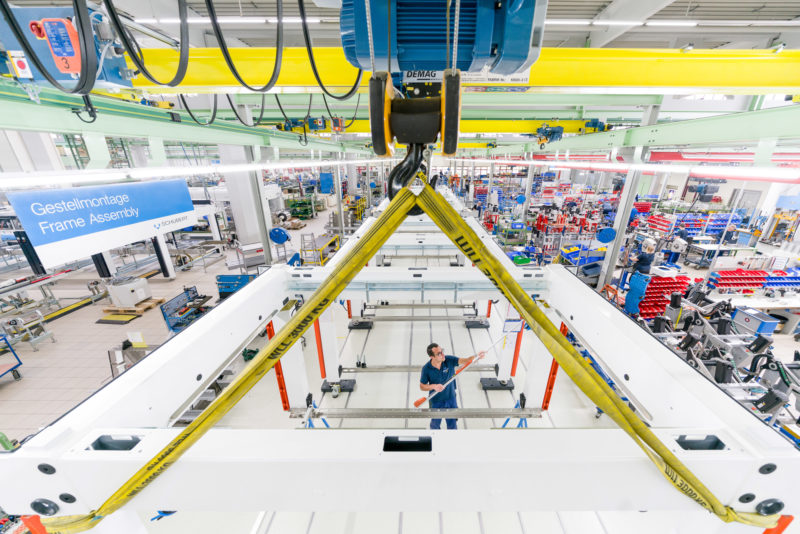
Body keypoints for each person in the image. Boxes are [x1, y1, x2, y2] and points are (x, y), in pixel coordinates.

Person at [420, 343, 485, 430]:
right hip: (436, 400)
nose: (442, 355)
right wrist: (434, 386)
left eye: (442, 351)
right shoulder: (426, 369)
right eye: (439, 354)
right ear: (432, 357)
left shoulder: (448, 360)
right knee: (435, 424)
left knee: (452, 424)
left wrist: (477, 356)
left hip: (451, 398)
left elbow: (466, 360)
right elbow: (422, 386)